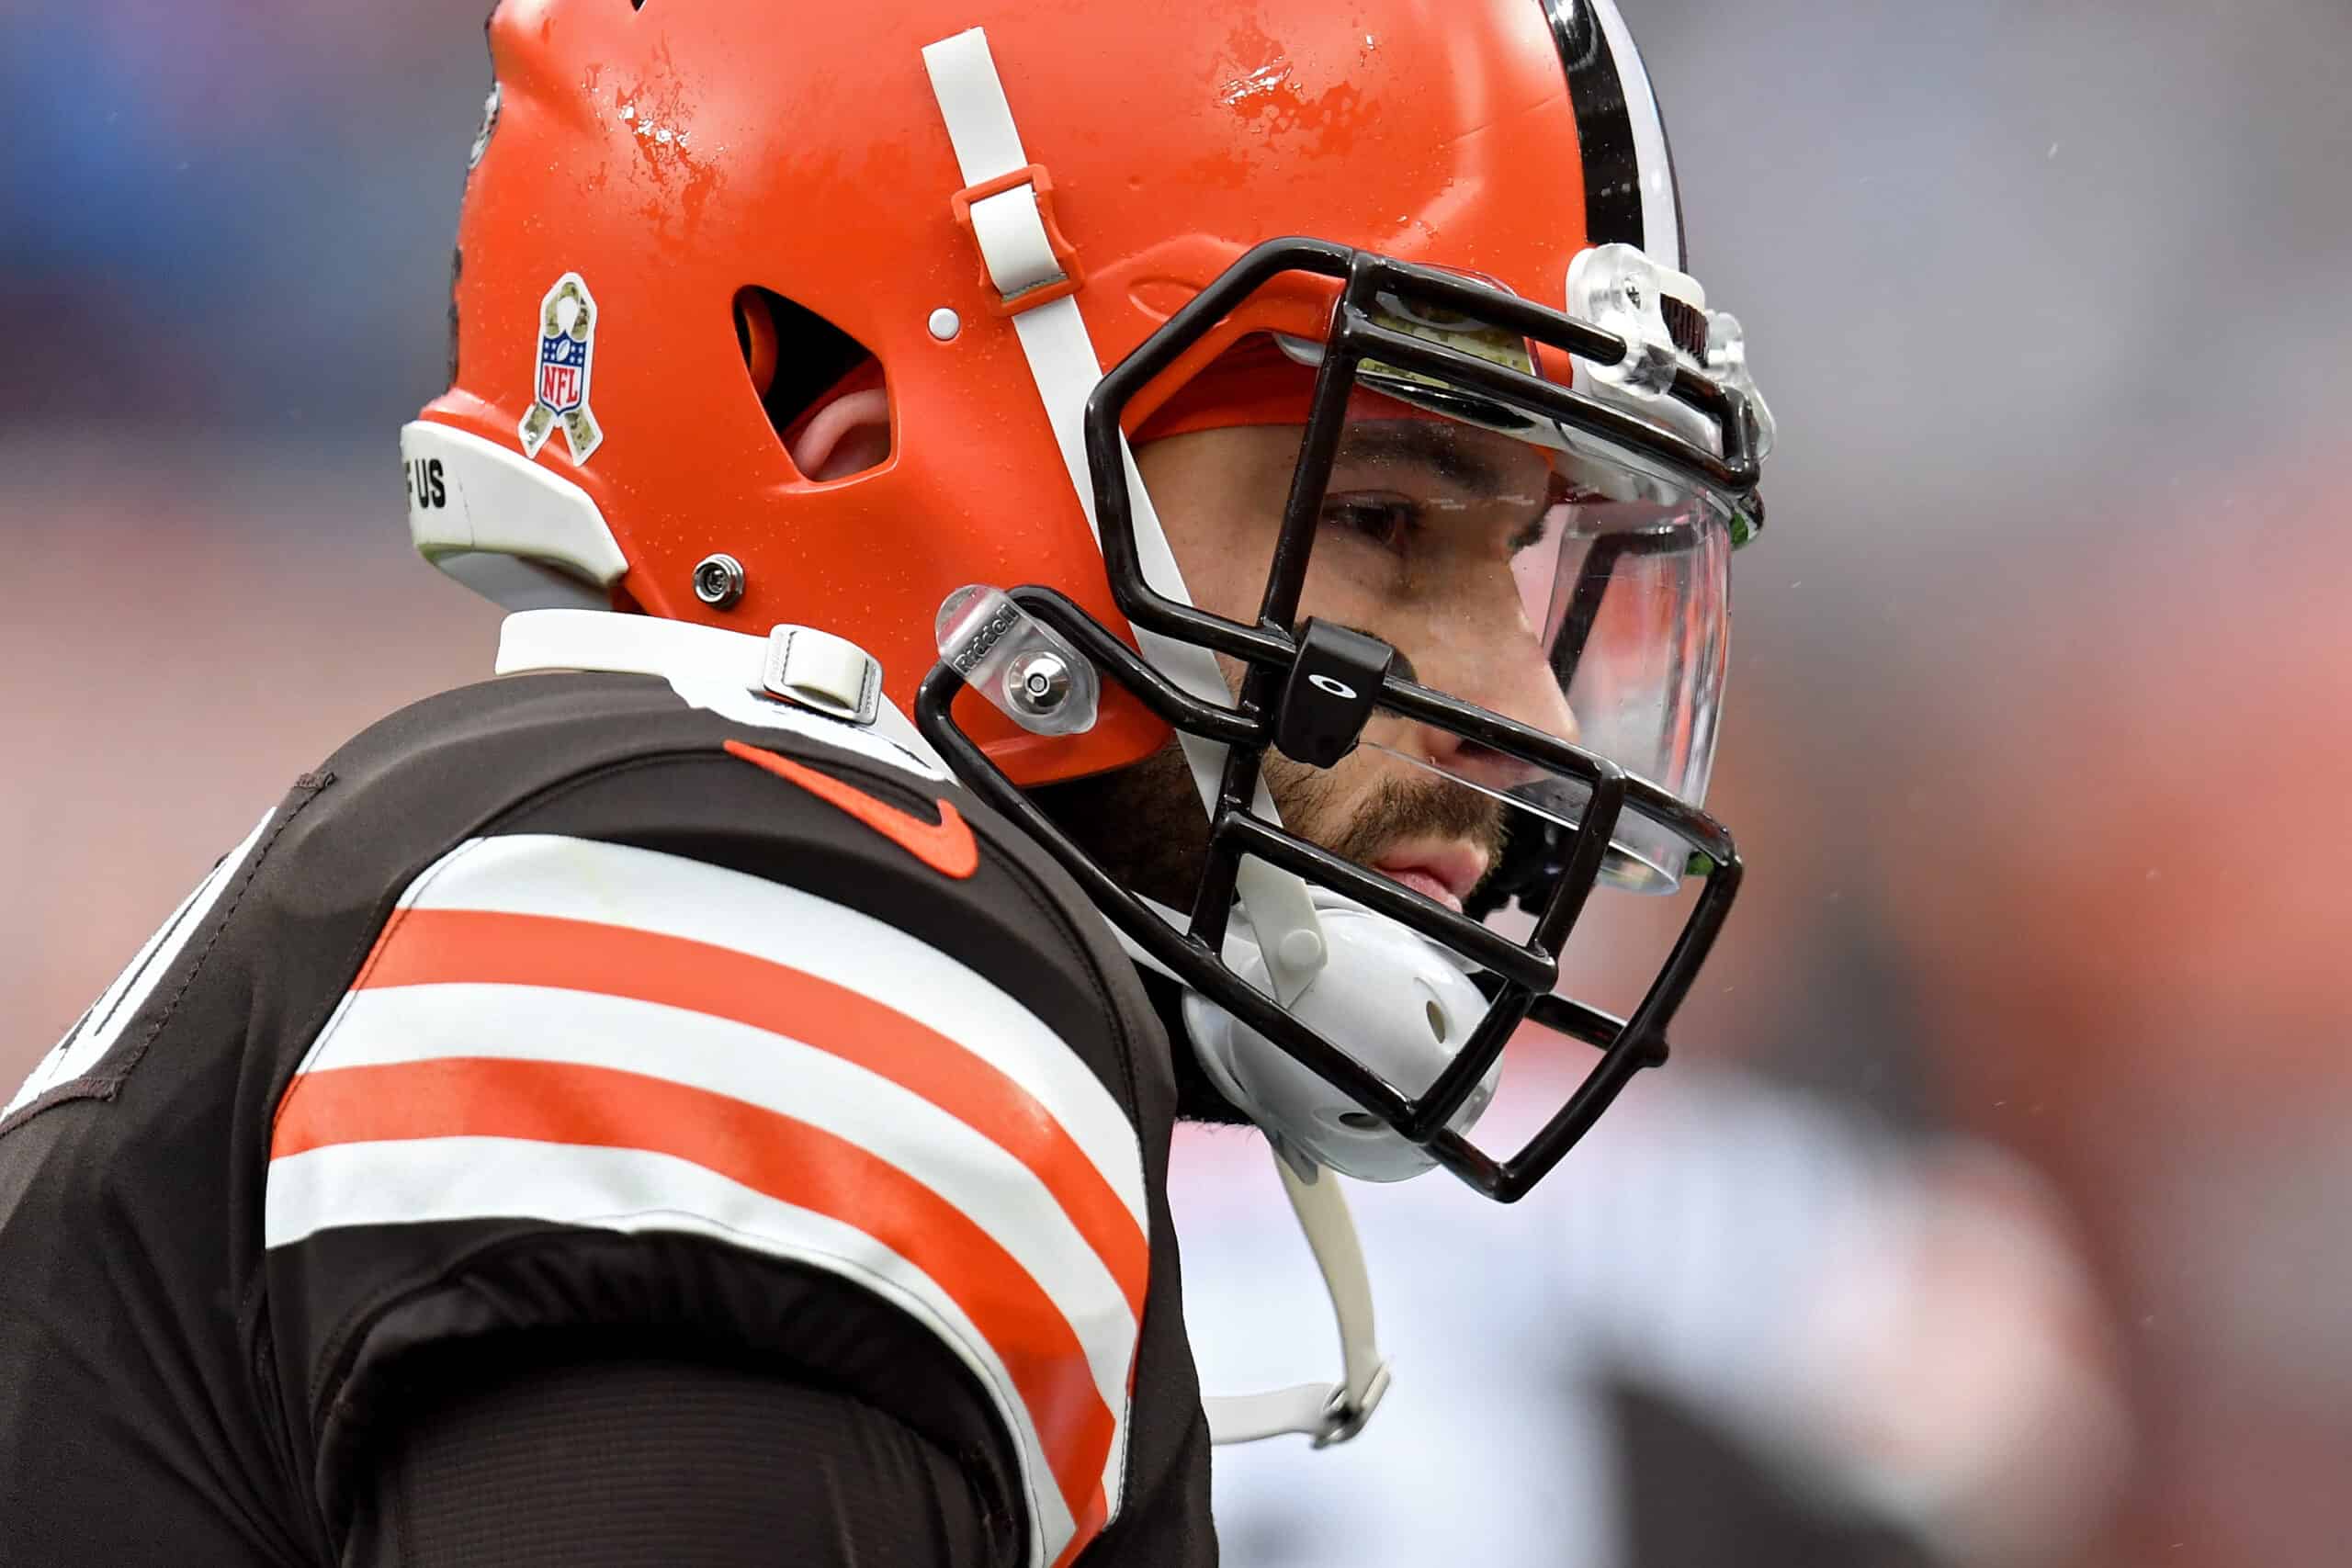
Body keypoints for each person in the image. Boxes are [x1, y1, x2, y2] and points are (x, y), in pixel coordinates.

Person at [0, 3, 1774, 1563]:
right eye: (1382, 522)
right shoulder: (736, 919)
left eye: (1525, 558)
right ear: (837, 421)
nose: (1512, 695)